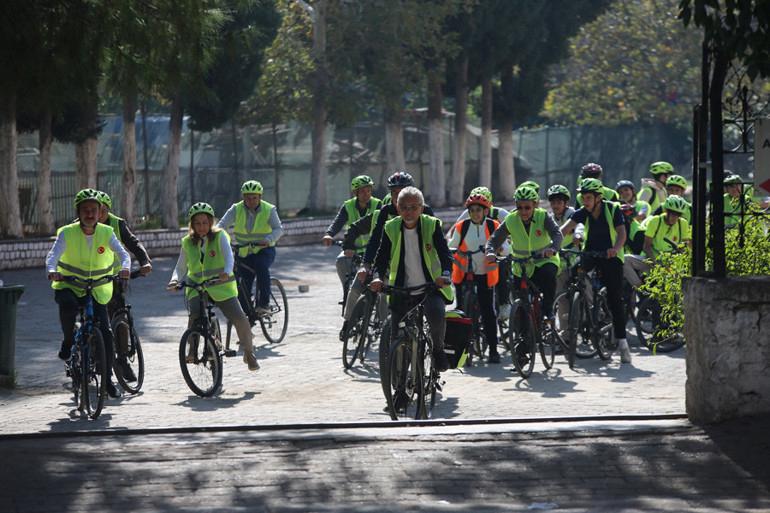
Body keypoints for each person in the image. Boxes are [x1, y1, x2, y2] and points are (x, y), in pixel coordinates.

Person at [46, 188, 131, 399]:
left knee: (107, 333)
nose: (90, 214)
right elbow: (52, 255)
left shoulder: (106, 232)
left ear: (100, 211)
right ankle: (68, 341)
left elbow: (122, 254)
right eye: (85, 210)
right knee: (68, 306)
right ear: (78, 212)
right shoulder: (66, 232)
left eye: (94, 210)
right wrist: (52, 271)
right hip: (70, 284)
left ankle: (108, 381)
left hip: (98, 287)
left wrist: (125, 267)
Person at [340, 171, 435, 340]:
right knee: (357, 286)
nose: (398, 197)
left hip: (415, 268)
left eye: (402, 192)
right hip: (385, 265)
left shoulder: (425, 212)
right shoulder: (384, 212)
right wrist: (365, 265)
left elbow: (436, 244)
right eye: (394, 193)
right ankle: (351, 324)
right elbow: (374, 242)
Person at [368, 186, 453, 372]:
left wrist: (445, 274)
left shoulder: (432, 225)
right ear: (398, 209)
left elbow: (446, 255)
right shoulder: (390, 228)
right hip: (401, 289)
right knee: (396, 336)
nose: (409, 212)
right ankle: (399, 382)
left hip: (430, 287)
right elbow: (381, 259)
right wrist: (376, 277)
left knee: (437, 313)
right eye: (404, 207)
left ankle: (438, 351)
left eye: (414, 207)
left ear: (421, 209)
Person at [168, 203, 259, 371]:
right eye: (197, 223)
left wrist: (226, 271)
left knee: (239, 318)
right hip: (196, 286)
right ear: (192, 225)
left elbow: (229, 257)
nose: (201, 227)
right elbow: (181, 267)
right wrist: (174, 280)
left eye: (205, 222)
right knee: (195, 315)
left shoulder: (220, 236)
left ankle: (249, 352)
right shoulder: (187, 242)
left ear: (211, 222)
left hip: (220, 284)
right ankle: (192, 350)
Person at [560, 178, 632, 364]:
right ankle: (582, 302)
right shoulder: (582, 212)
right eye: (583, 197)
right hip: (591, 253)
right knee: (577, 274)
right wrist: (551, 245)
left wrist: (615, 248)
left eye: (589, 197)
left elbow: (622, 233)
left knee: (615, 299)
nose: (585, 201)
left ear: (598, 198)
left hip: (611, 256)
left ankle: (623, 344)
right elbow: (564, 230)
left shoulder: (612, 209)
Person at [95, 191, 152, 383]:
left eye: (101, 211)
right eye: (94, 211)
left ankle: (122, 358)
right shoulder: (81, 225)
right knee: (92, 318)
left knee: (120, 317)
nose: (97, 215)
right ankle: (92, 354)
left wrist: (144, 261)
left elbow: (133, 244)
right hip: (90, 279)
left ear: (107, 211)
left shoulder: (117, 224)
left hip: (115, 279)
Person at [486, 185, 561, 324]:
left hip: (543, 261)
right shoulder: (510, 219)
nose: (523, 211)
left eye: (527, 207)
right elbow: (494, 239)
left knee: (549, 276)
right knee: (520, 305)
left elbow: (557, 234)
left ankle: (548, 311)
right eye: (519, 207)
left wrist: (553, 249)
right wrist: (490, 251)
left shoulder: (542, 216)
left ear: (535, 205)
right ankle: (522, 337)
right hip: (521, 266)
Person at [448, 193, 503, 363]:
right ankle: (462, 353)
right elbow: (452, 245)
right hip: (464, 272)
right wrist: (450, 252)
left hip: (485, 274)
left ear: (485, 211)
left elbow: (506, 247)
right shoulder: (461, 227)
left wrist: (499, 252)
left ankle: (493, 350)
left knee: (488, 312)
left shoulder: (494, 226)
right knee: (462, 314)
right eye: (472, 210)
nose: (475, 213)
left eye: (479, 210)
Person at [217, 180, 283, 317]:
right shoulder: (236, 209)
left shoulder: (269, 209)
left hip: (264, 250)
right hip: (243, 252)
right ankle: (248, 318)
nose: (251, 201)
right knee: (241, 284)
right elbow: (221, 225)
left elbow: (278, 229)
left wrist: (268, 239)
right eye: (247, 197)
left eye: (254, 197)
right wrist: (217, 238)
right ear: (243, 197)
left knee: (261, 267)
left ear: (260, 197)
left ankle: (264, 304)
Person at [322, 175, 382, 300]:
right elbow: (338, 222)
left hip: (372, 249)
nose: (366, 194)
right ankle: (347, 289)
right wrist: (329, 234)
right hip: (352, 249)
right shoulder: (347, 206)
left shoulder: (378, 204)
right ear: (355, 193)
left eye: (369, 190)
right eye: (362, 191)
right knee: (340, 261)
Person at [624, 195, 691, 292]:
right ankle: (642, 290)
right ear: (666, 211)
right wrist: (657, 264)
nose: (674, 217)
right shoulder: (655, 221)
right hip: (651, 259)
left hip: (671, 263)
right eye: (672, 213)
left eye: (678, 214)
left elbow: (685, 246)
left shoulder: (683, 223)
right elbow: (646, 247)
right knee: (625, 260)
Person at [547, 184, 577, 332]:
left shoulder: (572, 214)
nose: (555, 205)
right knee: (562, 298)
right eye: (553, 202)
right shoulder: (550, 219)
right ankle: (565, 334)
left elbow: (580, 229)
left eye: (559, 202)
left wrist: (578, 236)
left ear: (566, 203)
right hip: (561, 261)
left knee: (587, 293)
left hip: (577, 258)